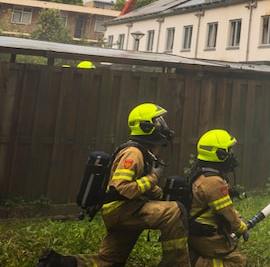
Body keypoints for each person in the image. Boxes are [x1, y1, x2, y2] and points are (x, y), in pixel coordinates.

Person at [37, 103, 190, 267]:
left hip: (124, 209)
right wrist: (153, 177)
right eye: (158, 122)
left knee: (110, 262)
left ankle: (57, 263)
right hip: (122, 211)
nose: (164, 126)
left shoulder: (143, 152)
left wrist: (160, 195)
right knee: (174, 212)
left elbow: (138, 186)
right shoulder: (134, 153)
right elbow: (122, 188)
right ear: (146, 126)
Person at [187, 129, 250, 267]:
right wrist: (241, 227)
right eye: (229, 151)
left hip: (196, 232)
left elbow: (226, 209)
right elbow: (227, 212)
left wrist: (238, 218)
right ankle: (192, 262)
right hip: (204, 236)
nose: (232, 155)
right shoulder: (214, 182)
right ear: (219, 154)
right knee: (238, 262)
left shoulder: (201, 173)